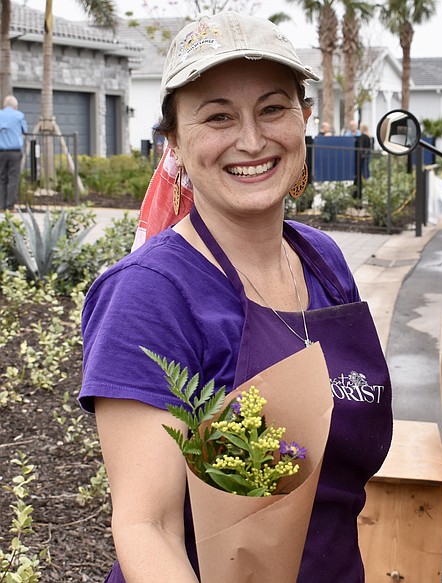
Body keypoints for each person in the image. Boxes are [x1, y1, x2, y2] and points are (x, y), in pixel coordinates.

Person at [79, 11, 393, 583]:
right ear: (173, 141)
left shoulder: (324, 259)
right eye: (218, 117)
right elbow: (147, 529)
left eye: (272, 109)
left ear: (304, 119)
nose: (251, 140)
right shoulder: (149, 295)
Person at [0, 95, 27, 210]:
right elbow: (24, 130)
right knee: (13, 178)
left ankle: (1, 205)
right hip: (15, 152)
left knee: (1, 178)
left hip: (1, 152)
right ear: (15, 107)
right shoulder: (19, 116)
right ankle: (10, 206)